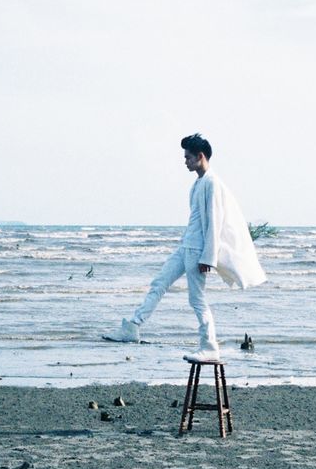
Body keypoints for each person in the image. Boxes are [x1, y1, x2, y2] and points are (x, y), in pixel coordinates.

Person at [103, 133, 266, 362]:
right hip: (186, 246)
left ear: (200, 157)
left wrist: (208, 257)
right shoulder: (198, 182)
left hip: (197, 251)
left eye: (188, 157)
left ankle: (209, 346)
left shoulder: (212, 182)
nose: (185, 161)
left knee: (196, 299)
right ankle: (132, 327)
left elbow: (215, 221)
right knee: (159, 282)